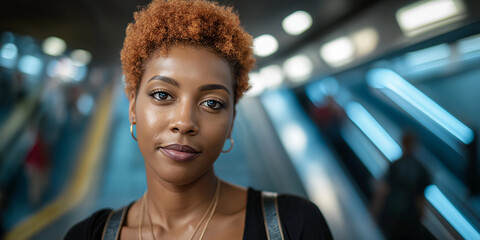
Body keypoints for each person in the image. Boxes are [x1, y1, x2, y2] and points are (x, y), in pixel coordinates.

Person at [65, 0, 332, 239]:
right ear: (133, 106)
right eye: (162, 94)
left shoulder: (294, 226)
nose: (184, 122)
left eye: (212, 103)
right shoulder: (88, 235)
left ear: (231, 121)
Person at [371, 131, 431, 240]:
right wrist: (421, 218)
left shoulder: (395, 165)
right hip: (411, 219)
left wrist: (375, 212)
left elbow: (383, 191)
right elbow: (420, 199)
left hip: (394, 216)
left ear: (402, 143)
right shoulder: (421, 169)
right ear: (416, 146)